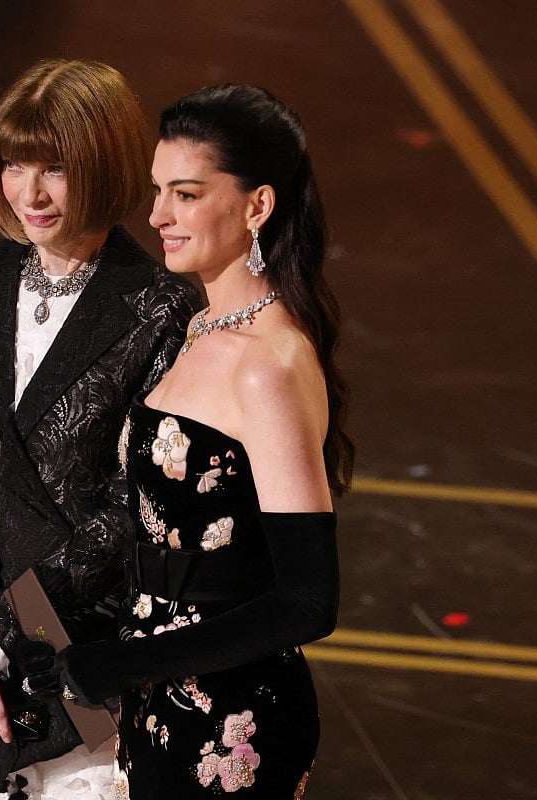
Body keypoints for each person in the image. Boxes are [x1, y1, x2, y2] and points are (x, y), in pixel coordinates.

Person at [0, 59, 201, 800]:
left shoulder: (157, 308)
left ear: (104, 164)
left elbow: (130, 514)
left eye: (53, 166)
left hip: (79, 643)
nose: (29, 191)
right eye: (13, 164)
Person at [53, 85, 354, 798]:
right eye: (159, 191)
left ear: (257, 205)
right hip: (160, 696)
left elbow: (309, 600)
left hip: (230, 719)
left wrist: (122, 667)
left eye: (185, 194)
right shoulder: (201, 329)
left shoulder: (267, 368)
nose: (157, 215)